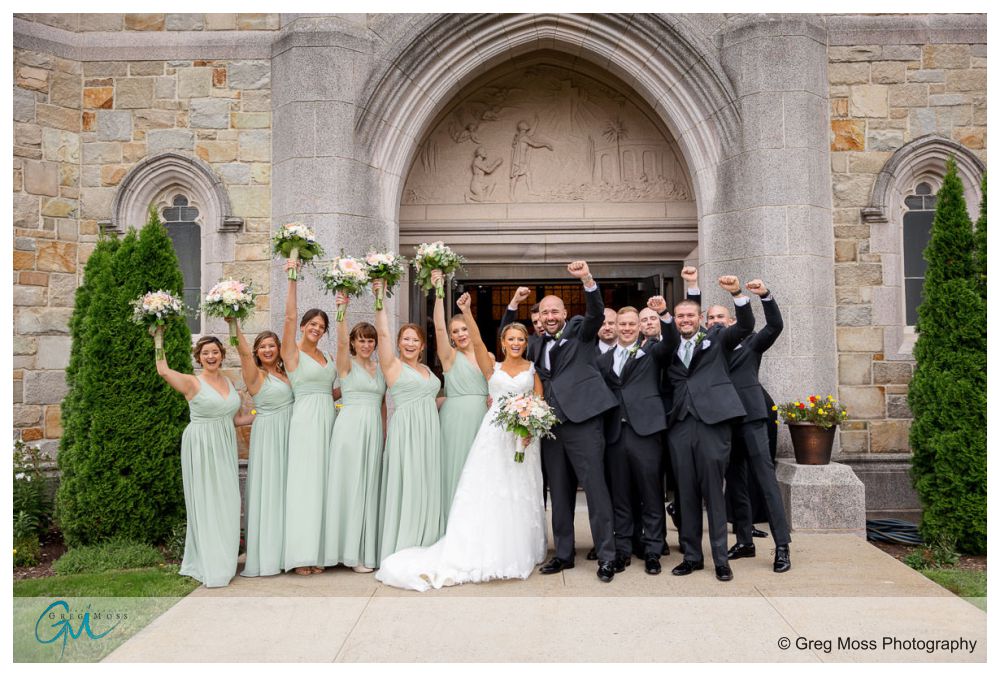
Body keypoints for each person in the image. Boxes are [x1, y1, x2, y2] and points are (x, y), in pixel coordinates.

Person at [376, 293, 547, 590]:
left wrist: (531, 423)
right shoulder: (490, 366)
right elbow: (478, 341)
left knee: (520, 490)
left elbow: (539, 402)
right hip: (493, 433)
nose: (517, 343)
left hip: (522, 439)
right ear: (503, 343)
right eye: (512, 339)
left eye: (521, 339)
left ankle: (519, 545)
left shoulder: (532, 371)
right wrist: (465, 310)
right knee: (488, 488)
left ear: (526, 342)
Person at [658, 275, 754, 582]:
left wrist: (738, 294)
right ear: (675, 321)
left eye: (690, 316)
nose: (686, 320)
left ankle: (721, 559)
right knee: (685, 494)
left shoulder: (717, 340)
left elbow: (745, 327)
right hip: (680, 427)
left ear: (700, 319)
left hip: (713, 425)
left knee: (714, 493)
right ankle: (691, 556)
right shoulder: (668, 346)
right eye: (680, 316)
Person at [692, 278, 791, 573]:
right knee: (735, 483)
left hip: (751, 418)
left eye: (719, 317)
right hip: (723, 421)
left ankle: (782, 546)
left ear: (732, 320)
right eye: (710, 318)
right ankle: (745, 541)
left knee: (765, 480)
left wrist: (765, 296)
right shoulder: (708, 347)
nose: (714, 321)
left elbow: (774, 327)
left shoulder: (751, 343)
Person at [532, 261, 619, 582]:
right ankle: (564, 554)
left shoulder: (581, 333)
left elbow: (596, 312)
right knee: (560, 492)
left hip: (584, 424)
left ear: (564, 314)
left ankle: (607, 556)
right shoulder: (535, 343)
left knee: (596, 490)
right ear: (539, 318)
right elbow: (505, 342)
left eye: (555, 312)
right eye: (544, 313)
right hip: (551, 428)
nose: (550, 317)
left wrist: (587, 279)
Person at [154, 333, 249, 587]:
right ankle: (210, 562)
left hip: (225, 447)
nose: (211, 356)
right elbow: (162, 370)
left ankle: (226, 559)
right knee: (208, 502)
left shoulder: (229, 383)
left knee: (229, 501)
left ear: (221, 355)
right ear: (198, 357)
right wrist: (159, 338)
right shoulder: (191, 383)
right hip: (201, 446)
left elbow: (237, 419)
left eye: (215, 352)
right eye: (205, 353)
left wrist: (267, 414)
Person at [597, 302, 679, 575]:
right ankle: (622, 550)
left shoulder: (652, 352)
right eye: (623, 324)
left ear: (640, 326)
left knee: (651, 494)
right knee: (620, 496)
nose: (628, 328)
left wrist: (666, 315)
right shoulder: (603, 360)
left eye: (633, 324)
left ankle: (653, 550)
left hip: (646, 431)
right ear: (616, 328)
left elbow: (672, 342)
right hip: (615, 435)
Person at [374, 277, 444, 563]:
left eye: (415, 339)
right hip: (406, 431)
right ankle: (404, 541)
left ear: (423, 345)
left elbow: (434, 400)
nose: (410, 343)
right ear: (400, 343)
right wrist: (379, 297)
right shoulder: (392, 366)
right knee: (408, 482)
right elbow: (382, 335)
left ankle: (427, 539)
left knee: (427, 482)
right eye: (405, 339)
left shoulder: (428, 370)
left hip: (429, 432)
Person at [323, 292, 387, 573]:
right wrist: (341, 309)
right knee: (349, 485)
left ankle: (364, 549)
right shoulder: (345, 364)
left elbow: (384, 403)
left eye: (370, 339)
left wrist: (384, 434)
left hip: (373, 428)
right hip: (349, 428)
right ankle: (346, 552)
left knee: (369, 486)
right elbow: (338, 342)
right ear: (352, 342)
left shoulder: (381, 368)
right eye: (360, 339)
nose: (366, 344)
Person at [281, 259, 337, 576]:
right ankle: (301, 554)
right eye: (311, 324)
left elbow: (331, 390)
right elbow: (288, 315)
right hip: (304, 418)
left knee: (324, 484)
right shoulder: (292, 353)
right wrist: (293, 276)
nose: (316, 328)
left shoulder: (327, 357)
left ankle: (320, 552)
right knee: (305, 483)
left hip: (328, 417)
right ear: (303, 326)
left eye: (321, 326)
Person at [229, 321, 293, 578]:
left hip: (291, 434)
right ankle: (267, 554)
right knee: (270, 490)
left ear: (279, 349)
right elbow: (243, 353)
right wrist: (233, 323)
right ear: (256, 351)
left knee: (287, 493)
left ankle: (287, 550)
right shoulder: (255, 375)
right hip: (269, 435)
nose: (267, 350)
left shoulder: (286, 375)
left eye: (271, 346)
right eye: (262, 347)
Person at [432, 269, 489, 520]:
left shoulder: (489, 357)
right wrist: (438, 291)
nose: (460, 334)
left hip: (483, 420)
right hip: (455, 420)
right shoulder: (449, 357)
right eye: (455, 332)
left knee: (481, 472)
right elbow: (438, 328)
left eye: (464, 329)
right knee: (456, 469)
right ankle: (452, 524)